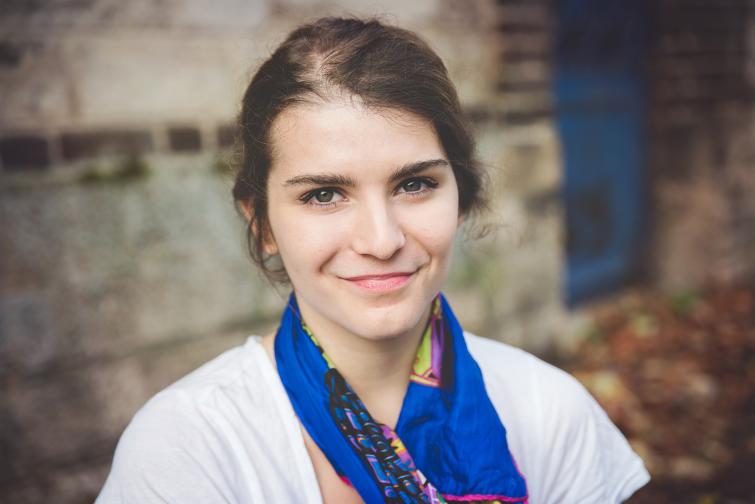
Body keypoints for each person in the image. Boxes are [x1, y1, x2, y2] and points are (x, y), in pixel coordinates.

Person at [96, 16, 650, 504]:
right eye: (323, 195)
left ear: (460, 198)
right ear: (262, 223)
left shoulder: (549, 411)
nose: (381, 240)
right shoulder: (187, 448)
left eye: (414, 184)